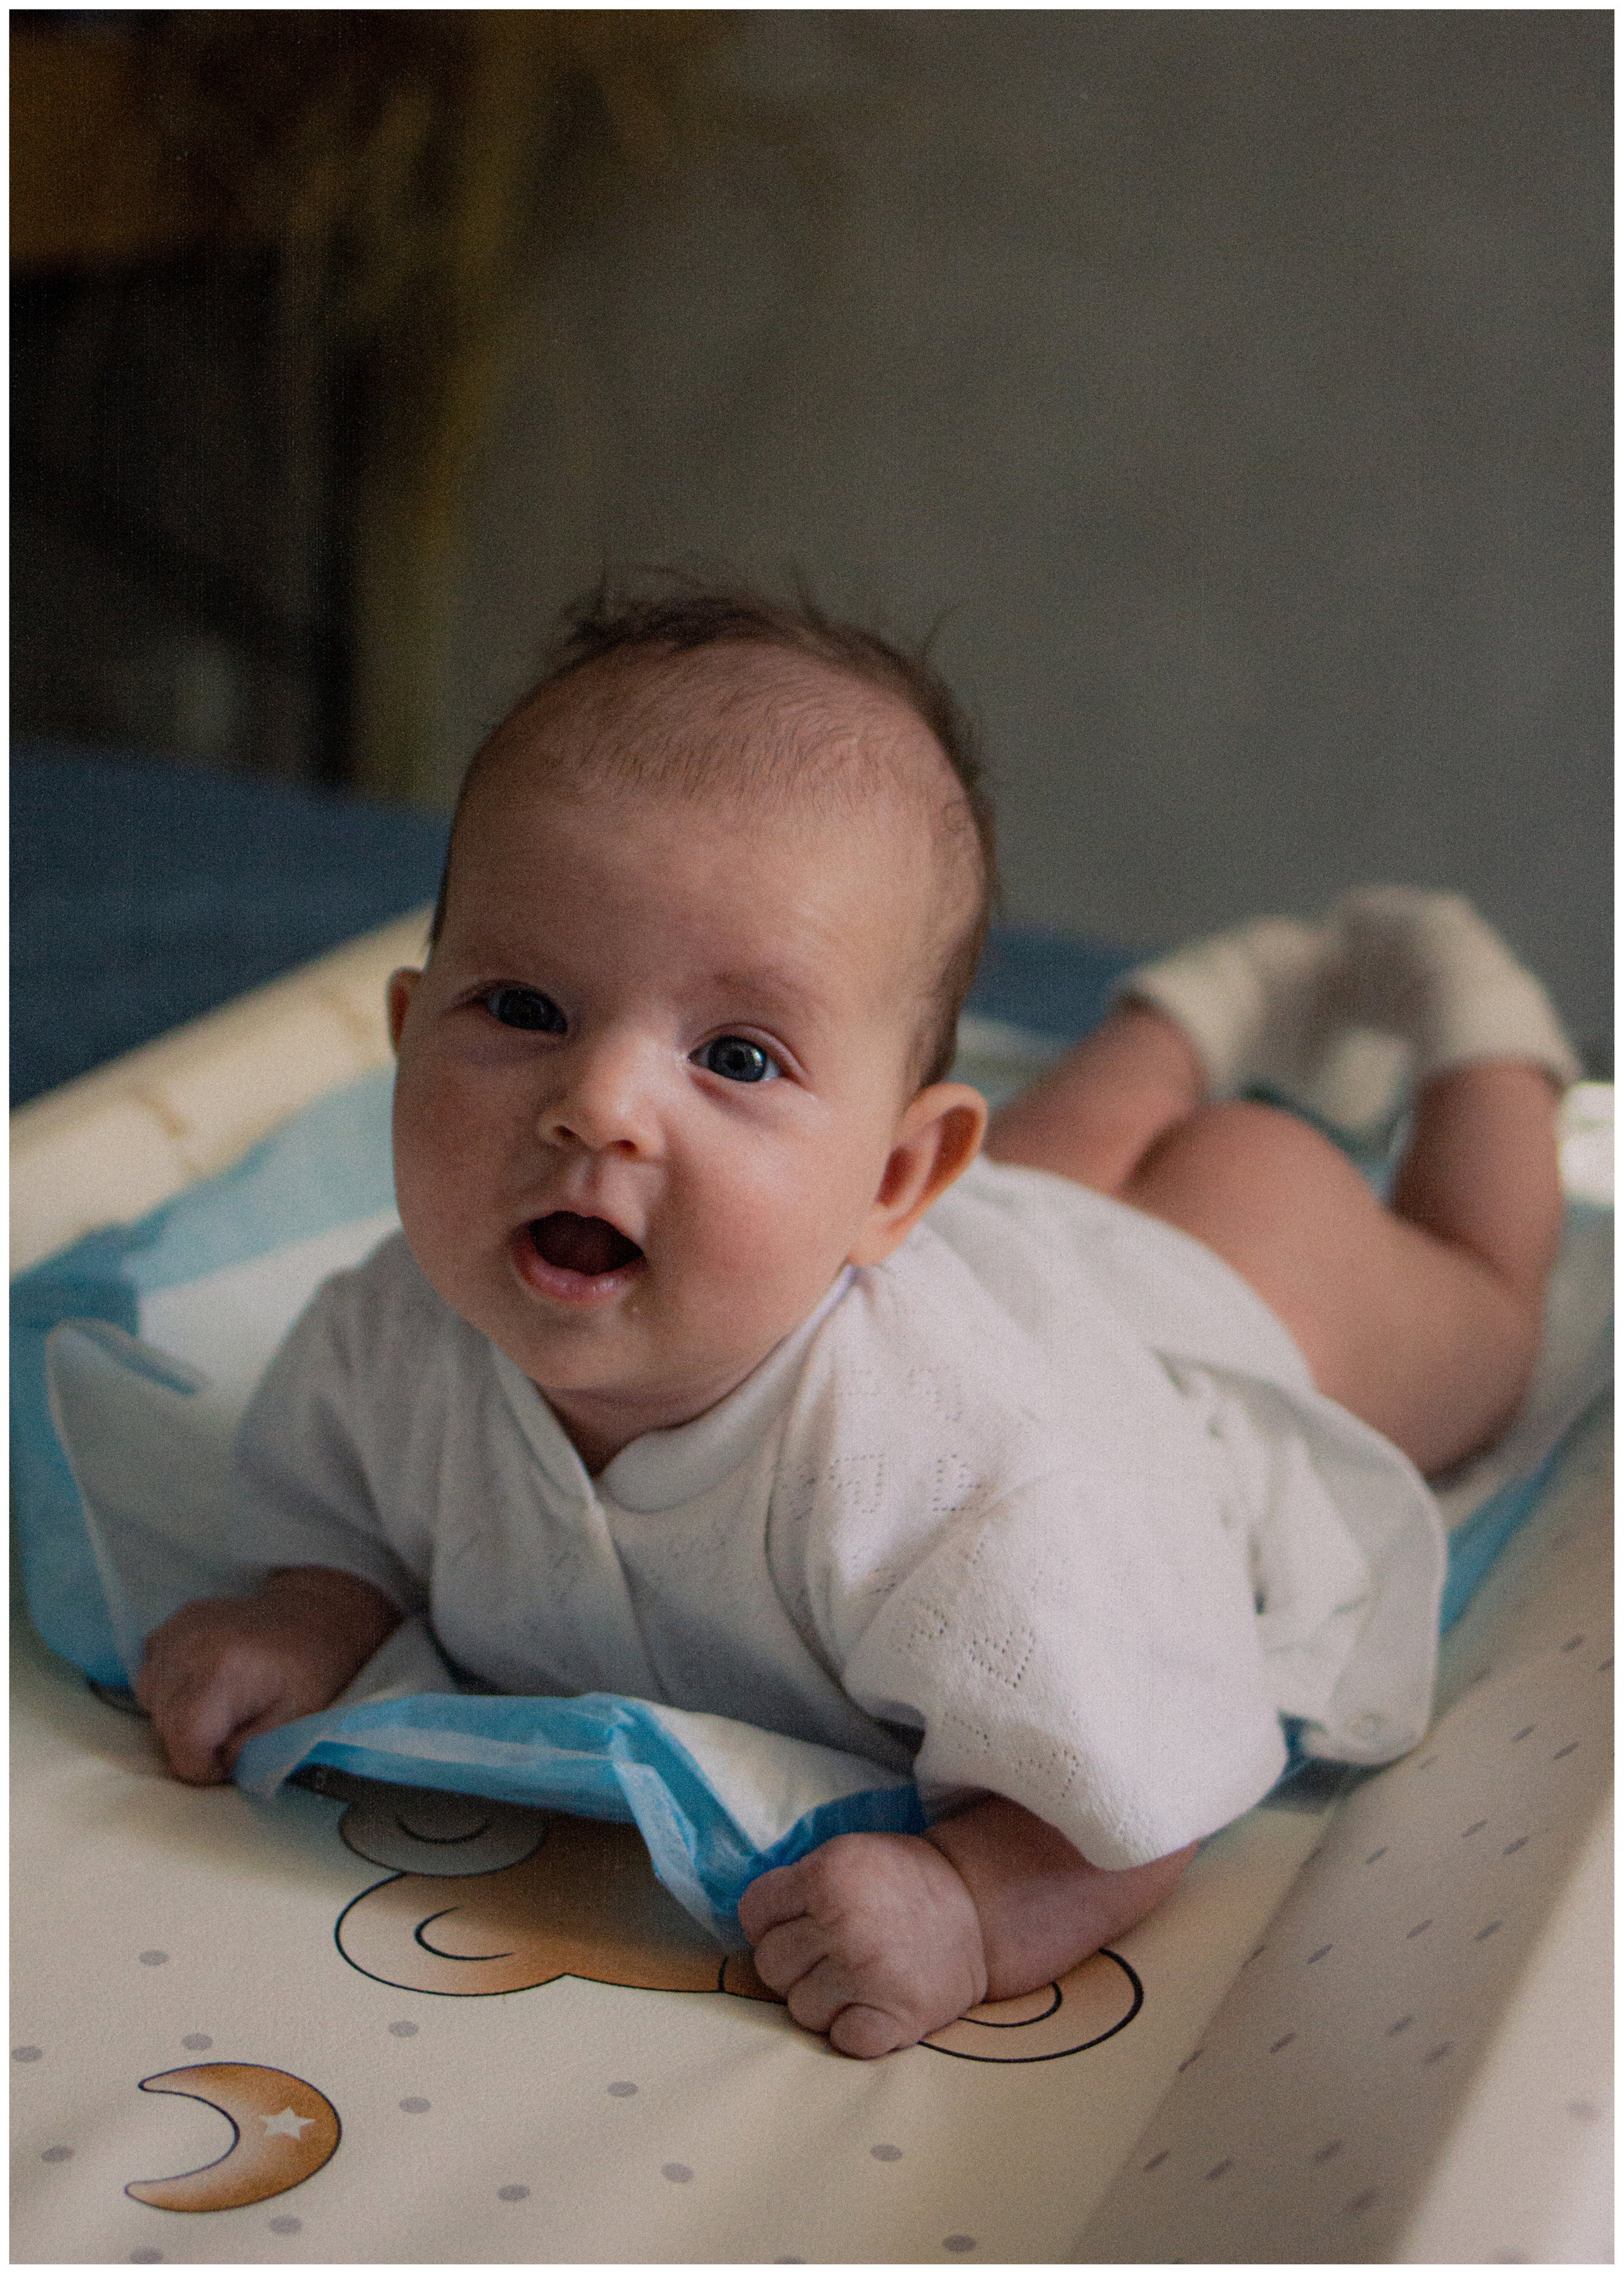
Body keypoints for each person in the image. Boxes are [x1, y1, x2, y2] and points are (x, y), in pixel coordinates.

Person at [135, 583, 1579, 2059]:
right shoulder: (391, 1334)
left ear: (896, 1178)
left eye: (737, 1053)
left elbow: (1132, 1802)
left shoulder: (966, 1483)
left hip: (1202, 1310)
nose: (598, 1104)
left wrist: (969, 1901)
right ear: (402, 1038)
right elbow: (340, 1511)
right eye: (522, 1008)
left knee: (1468, 1317)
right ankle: (1220, 1000)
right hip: (992, 1232)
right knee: (1062, 1154)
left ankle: (1479, 1026)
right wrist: (308, 1609)